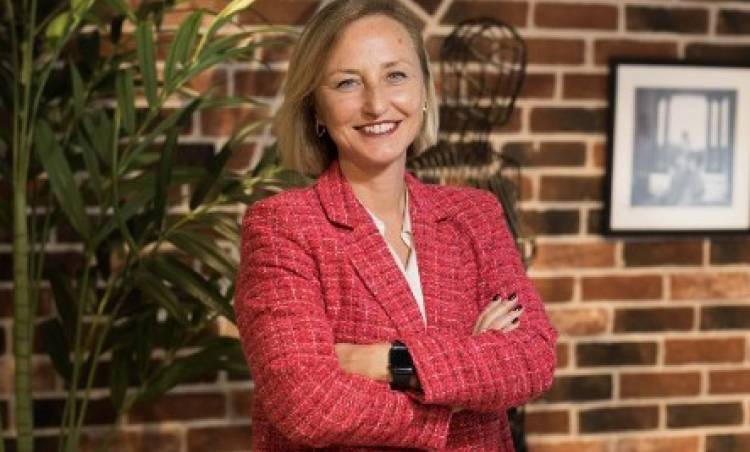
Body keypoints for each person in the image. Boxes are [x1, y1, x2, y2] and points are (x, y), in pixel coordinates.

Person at [234, 1, 557, 450]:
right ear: (316, 109)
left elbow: (532, 358)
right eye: (347, 82)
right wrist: (464, 381)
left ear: (424, 90)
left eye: (396, 75)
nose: (376, 103)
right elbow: (307, 403)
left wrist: (387, 361)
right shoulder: (283, 227)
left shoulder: (475, 215)